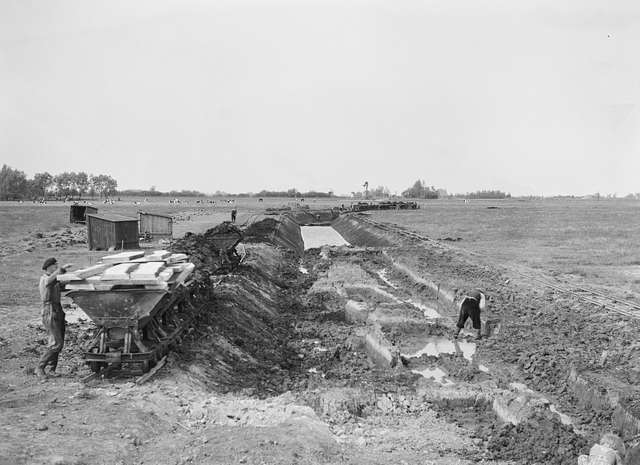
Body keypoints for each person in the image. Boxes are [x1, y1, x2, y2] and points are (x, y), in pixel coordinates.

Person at [37, 258, 73, 378]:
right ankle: (39, 367)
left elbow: (63, 285)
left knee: (60, 342)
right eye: (55, 266)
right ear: (49, 267)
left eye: (57, 265)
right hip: (49, 310)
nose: (56, 267)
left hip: (57, 309)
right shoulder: (45, 279)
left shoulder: (54, 280)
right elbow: (49, 281)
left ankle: (52, 369)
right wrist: (61, 270)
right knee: (56, 343)